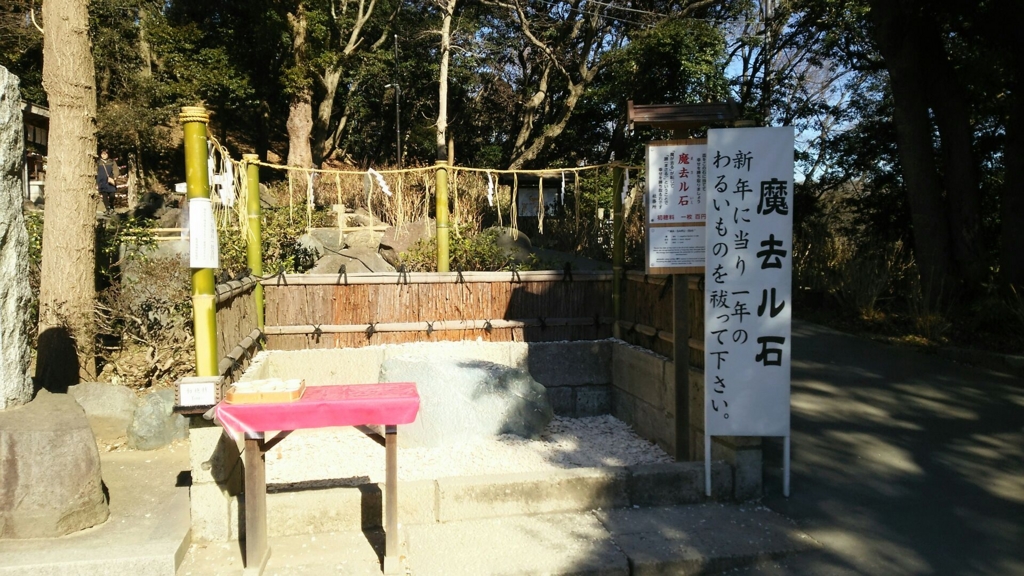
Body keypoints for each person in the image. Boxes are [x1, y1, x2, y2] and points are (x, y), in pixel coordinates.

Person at [96, 149, 119, 213]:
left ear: (108, 154)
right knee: (104, 195)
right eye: (102, 154)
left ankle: (111, 205)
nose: (104, 155)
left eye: (105, 154)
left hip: (110, 180)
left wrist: (115, 177)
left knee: (112, 194)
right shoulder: (98, 162)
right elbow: (95, 170)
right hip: (101, 180)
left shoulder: (111, 161)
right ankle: (107, 208)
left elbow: (116, 170)